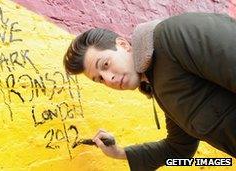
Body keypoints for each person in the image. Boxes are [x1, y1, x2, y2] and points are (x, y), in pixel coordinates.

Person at [63, 12, 236, 170]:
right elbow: (179, 150)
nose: (109, 79)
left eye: (105, 64)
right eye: (100, 79)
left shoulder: (173, 36)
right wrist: (119, 153)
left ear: (123, 45)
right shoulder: (158, 85)